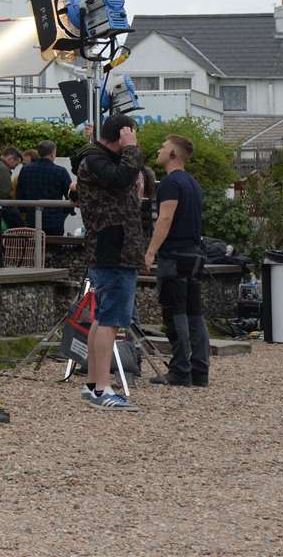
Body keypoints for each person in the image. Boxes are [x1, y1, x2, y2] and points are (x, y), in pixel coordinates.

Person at [72, 113, 143, 411]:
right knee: (111, 321)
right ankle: (102, 387)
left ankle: (93, 384)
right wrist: (132, 149)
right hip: (113, 249)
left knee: (103, 319)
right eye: (129, 136)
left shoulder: (96, 160)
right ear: (122, 134)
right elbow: (122, 178)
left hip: (114, 247)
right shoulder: (95, 161)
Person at [143, 134, 209, 387]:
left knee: (175, 312)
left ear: (173, 155)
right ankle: (199, 370)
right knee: (194, 313)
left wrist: (151, 251)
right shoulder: (193, 183)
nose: (158, 150)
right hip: (195, 253)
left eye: (163, 147)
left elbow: (165, 219)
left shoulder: (170, 183)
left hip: (175, 255)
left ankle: (180, 369)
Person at [16, 140, 74, 234]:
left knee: (34, 248)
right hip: (54, 221)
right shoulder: (60, 172)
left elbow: (20, 195)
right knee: (53, 248)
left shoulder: (25, 170)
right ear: (52, 154)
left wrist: (24, 212)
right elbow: (71, 195)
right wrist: (63, 214)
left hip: (32, 220)